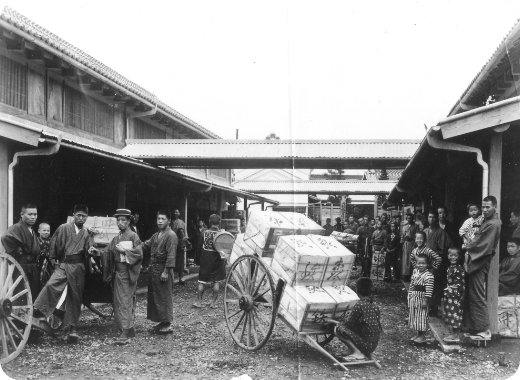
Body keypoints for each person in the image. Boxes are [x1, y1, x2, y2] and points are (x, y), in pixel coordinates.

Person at [33, 205, 92, 343]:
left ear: (86, 218)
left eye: (84, 216)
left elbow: (88, 250)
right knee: (51, 284)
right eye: (78, 215)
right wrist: (54, 261)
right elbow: (54, 245)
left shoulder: (86, 233)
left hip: (78, 267)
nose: (81, 218)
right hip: (64, 264)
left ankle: (73, 329)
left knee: (75, 297)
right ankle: (39, 310)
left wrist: (92, 247)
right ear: (73, 215)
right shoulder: (64, 228)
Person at [91, 209, 142, 344]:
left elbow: (139, 254)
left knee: (125, 301)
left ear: (129, 221)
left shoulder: (133, 236)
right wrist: (98, 252)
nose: (120, 223)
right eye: (118, 220)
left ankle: (125, 331)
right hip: (118, 273)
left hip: (127, 272)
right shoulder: (117, 237)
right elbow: (107, 252)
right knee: (119, 301)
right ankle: (129, 328)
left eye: (123, 220)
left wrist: (124, 251)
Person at [464, 196, 501, 339]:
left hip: (480, 260)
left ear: (495, 207)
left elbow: (481, 244)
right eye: (483, 207)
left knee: (478, 294)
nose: (485, 210)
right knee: (472, 293)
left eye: (488, 207)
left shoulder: (493, 223)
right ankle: (474, 327)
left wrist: (467, 247)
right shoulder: (487, 221)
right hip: (476, 260)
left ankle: (484, 329)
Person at [139, 209, 178, 334]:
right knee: (157, 296)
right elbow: (145, 245)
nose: (160, 221)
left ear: (169, 221)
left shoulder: (171, 235)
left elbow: (171, 256)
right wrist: (133, 243)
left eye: (163, 219)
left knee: (165, 296)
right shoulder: (157, 235)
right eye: (158, 219)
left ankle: (168, 323)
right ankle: (162, 321)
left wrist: (166, 271)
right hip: (154, 269)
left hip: (163, 269)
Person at [325, 277, 382, 360]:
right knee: (353, 327)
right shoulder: (374, 305)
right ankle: (351, 349)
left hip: (365, 344)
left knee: (338, 329)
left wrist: (333, 321)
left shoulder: (360, 305)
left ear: (357, 290)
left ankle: (357, 352)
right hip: (373, 344)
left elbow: (348, 325)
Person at [1, 203, 42, 300]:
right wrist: (17, 248)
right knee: (22, 293)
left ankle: (31, 314)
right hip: (22, 265)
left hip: (33, 266)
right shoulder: (17, 228)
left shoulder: (31, 230)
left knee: (34, 294)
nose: (33, 217)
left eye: (35, 214)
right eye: (30, 214)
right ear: (21, 214)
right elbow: (5, 237)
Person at [194, 214, 226, 309]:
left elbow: (199, 248)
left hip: (205, 261)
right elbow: (225, 249)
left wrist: (198, 260)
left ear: (209, 221)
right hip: (218, 261)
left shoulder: (204, 233)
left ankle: (199, 302)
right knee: (217, 282)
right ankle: (213, 303)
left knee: (202, 281)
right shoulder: (222, 234)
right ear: (219, 222)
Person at [424, 209, 452, 317]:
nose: (431, 219)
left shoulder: (441, 232)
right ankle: (426, 305)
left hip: (435, 262)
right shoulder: (425, 230)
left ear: (437, 218)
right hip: (424, 262)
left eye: (434, 217)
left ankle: (434, 308)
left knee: (434, 285)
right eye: (430, 217)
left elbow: (444, 249)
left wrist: (430, 253)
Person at [408, 254, 434, 343]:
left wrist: (425, 300)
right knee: (416, 316)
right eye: (419, 263)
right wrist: (410, 295)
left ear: (427, 264)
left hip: (422, 298)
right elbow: (412, 285)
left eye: (423, 263)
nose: (421, 265)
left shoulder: (429, 275)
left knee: (422, 316)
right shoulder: (415, 272)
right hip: (414, 297)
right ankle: (418, 334)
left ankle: (422, 336)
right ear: (416, 263)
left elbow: (429, 290)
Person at [443, 248, 465, 343]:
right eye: (451, 255)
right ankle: (453, 334)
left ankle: (455, 335)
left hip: (455, 295)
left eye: (455, 255)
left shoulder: (459, 269)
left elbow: (461, 284)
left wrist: (460, 294)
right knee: (451, 314)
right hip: (450, 294)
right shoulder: (450, 267)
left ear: (459, 257)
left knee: (455, 314)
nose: (453, 257)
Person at [401, 213, 419, 282]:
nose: (409, 219)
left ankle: (411, 275)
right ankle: (405, 274)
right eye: (408, 218)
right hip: (406, 244)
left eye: (410, 218)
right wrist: (402, 243)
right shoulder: (404, 226)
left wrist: (415, 244)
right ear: (406, 219)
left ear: (412, 219)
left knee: (411, 259)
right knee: (405, 259)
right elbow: (402, 235)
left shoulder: (415, 226)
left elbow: (416, 236)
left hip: (412, 244)